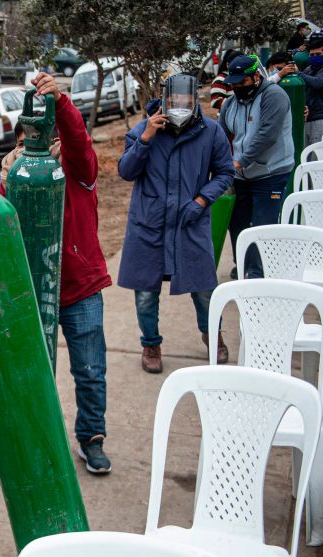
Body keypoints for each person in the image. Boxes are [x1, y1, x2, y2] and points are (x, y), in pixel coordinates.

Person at [0, 72, 113, 474]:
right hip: (32, 293)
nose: (38, 145)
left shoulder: (77, 170)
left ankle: (91, 438)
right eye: (27, 138)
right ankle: (32, 442)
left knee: (90, 370)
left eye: (46, 137)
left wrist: (61, 103)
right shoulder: (12, 179)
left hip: (80, 288)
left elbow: (79, 141)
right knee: (31, 374)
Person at [118, 74, 234, 373]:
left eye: (186, 101)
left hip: (189, 221)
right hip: (149, 223)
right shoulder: (144, 129)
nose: (180, 106)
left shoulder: (211, 131)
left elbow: (224, 173)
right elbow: (126, 171)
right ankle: (150, 343)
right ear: (165, 101)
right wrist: (145, 140)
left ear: (196, 101)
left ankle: (213, 336)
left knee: (204, 286)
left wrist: (201, 201)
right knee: (145, 291)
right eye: (173, 102)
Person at [219, 55, 294, 282]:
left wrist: (240, 161)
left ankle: (260, 274)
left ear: (255, 76)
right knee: (238, 223)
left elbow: (266, 135)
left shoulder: (274, 96)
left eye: (242, 83)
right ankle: (243, 264)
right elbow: (220, 135)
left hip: (271, 172)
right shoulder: (230, 104)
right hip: (240, 176)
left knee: (263, 224)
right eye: (234, 84)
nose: (237, 87)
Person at [210, 49, 243, 114]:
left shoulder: (243, 78)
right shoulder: (221, 79)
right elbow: (215, 102)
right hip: (227, 118)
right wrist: (239, 106)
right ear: (228, 64)